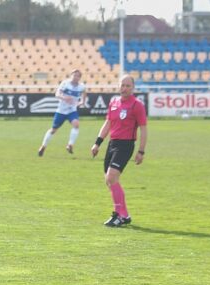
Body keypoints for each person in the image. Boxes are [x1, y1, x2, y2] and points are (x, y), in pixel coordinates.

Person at [91, 74, 148, 227]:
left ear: (133, 87)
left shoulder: (137, 105)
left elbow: (143, 129)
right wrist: (97, 143)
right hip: (112, 144)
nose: (124, 88)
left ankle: (118, 215)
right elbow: (108, 123)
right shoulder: (114, 102)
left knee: (111, 177)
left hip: (126, 145)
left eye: (128, 86)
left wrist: (141, 151)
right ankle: (125, 215)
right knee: (109, 180)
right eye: (122, 85)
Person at [38, 69, 87, 156]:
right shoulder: (65, 83)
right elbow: (57, 94)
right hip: (61, 111)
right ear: (71, 75)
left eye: (77, 76)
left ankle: (70, 145)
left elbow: (84, 92)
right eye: (74, 75)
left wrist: (82, 101)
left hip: (72, 110)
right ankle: (43, 146)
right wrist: (64, 98)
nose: (75, 77)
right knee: (53, 130)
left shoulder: (81, 86)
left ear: (80, 77)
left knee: (76, 125)